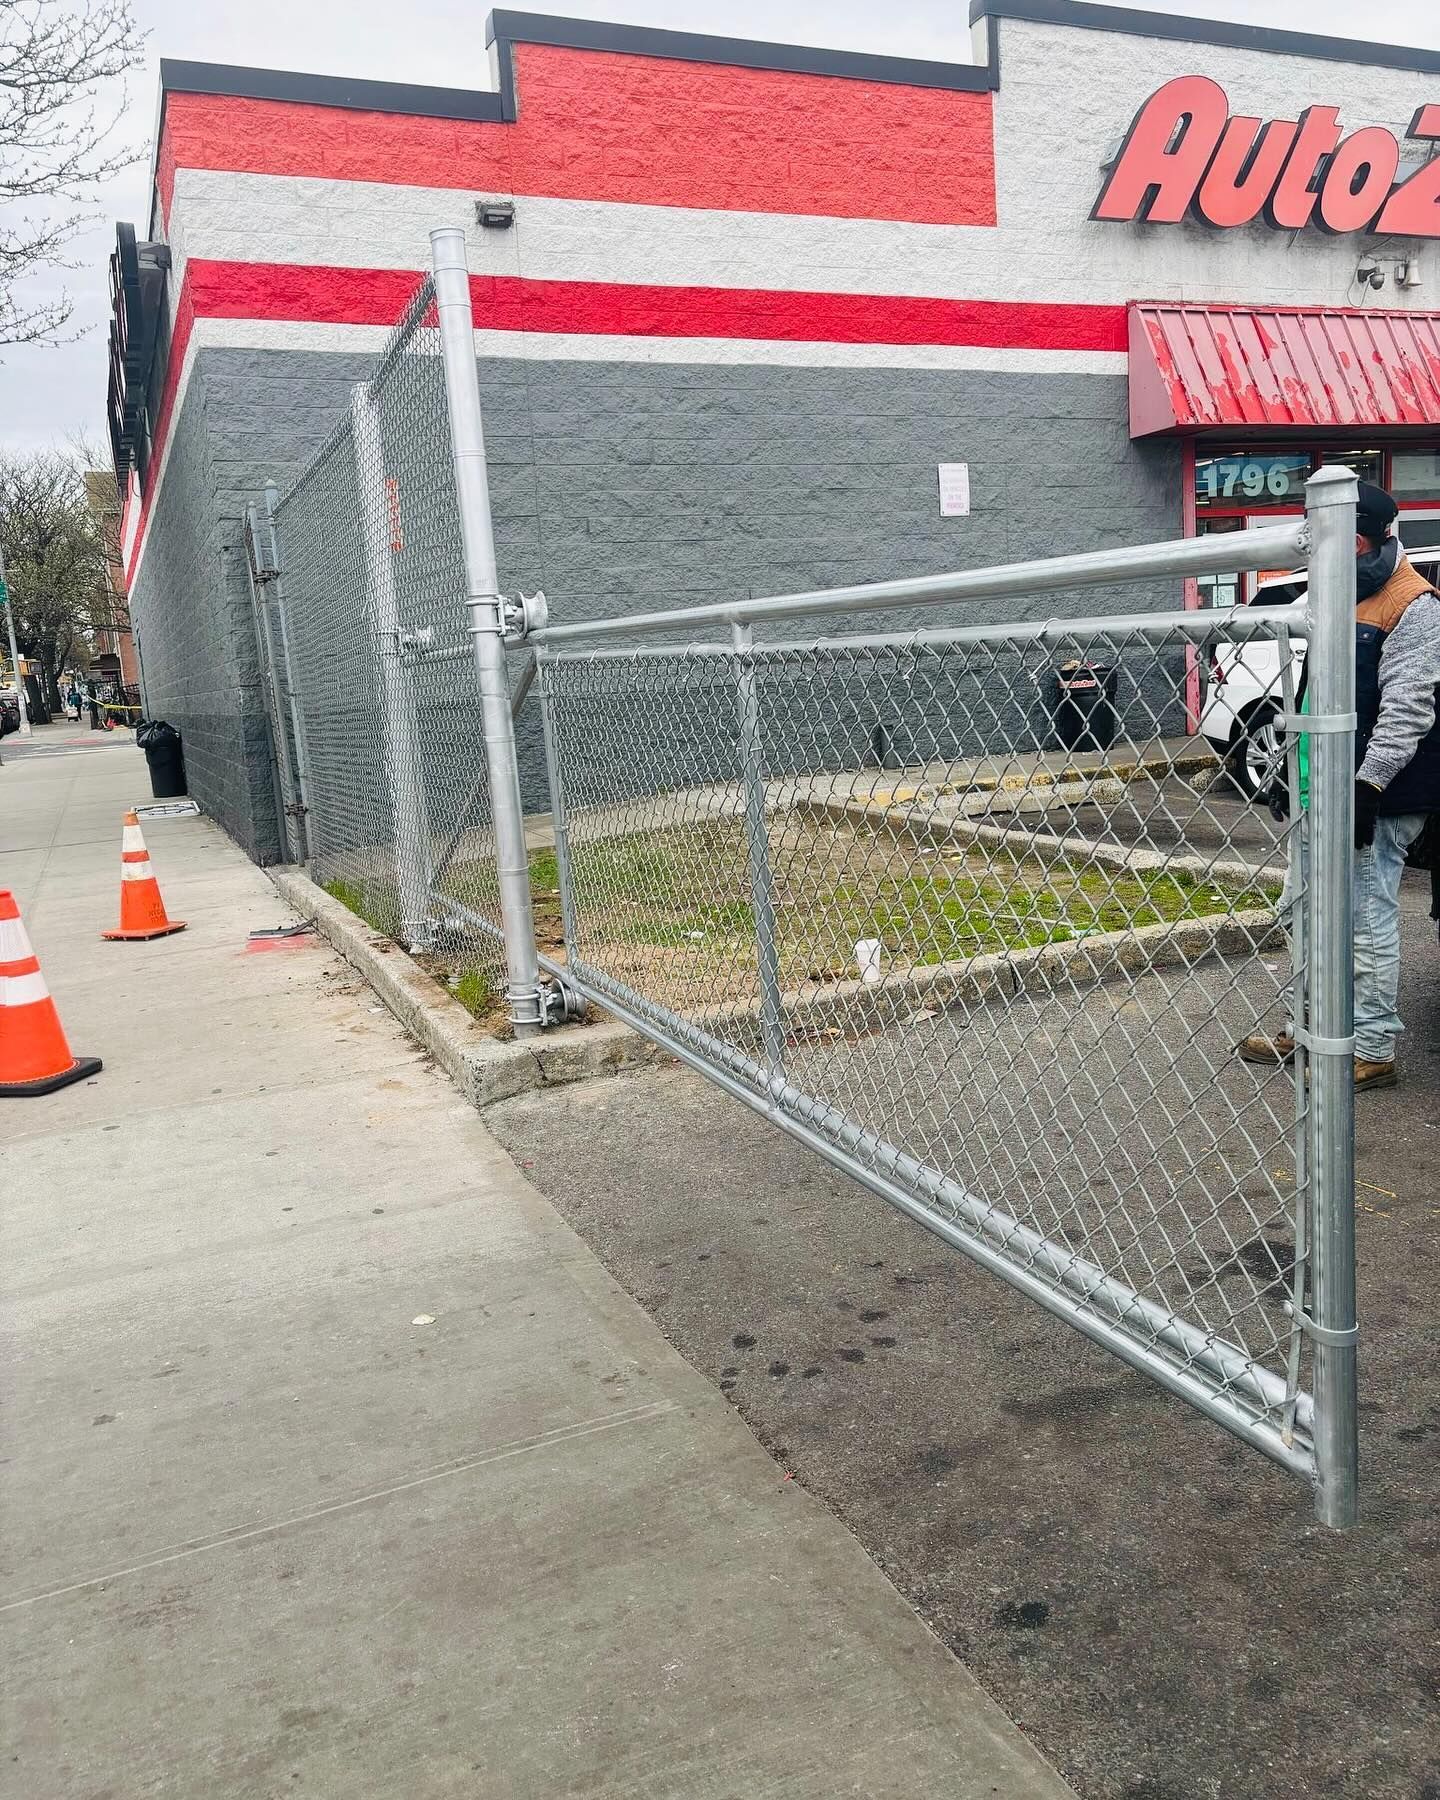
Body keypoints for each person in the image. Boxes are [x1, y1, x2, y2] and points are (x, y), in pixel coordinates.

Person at [1240, 481, 1440, 1090]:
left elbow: (1407, 710)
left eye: (1317, 540)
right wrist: (1288, 776)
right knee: (1304, 910)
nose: (1307, 553)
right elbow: (1313, 695)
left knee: (1363, 916)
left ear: (1351, 542)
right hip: (1319, 784)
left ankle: (1372, 1046)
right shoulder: (1333, 592)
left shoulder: (1413, 603)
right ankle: (1308, 1028)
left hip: (1379, 794)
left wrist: (1368, 787)